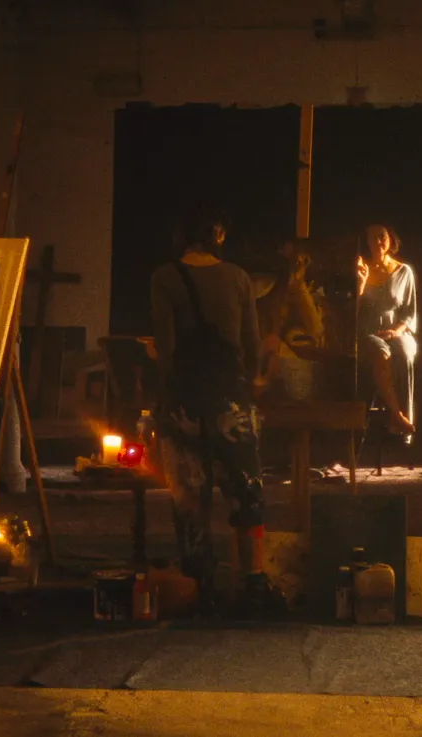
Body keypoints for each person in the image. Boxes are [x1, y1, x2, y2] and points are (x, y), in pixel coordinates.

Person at [149, 204, 280, 616]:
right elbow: (250, 345)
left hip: (185, 403)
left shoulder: (164, 278)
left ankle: (200, 586)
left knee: (191, 495)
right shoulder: (239, 278)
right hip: (231, 402)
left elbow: (166, 351)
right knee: (246, 493)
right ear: (218, 234)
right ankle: (254, 583)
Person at [355, 224, 418, 436]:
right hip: (369, 331)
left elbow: (409, 313)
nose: (377, 242)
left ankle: (402, 419)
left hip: (397, 330)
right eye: (372, 238)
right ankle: (397, 416)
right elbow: (353, 312)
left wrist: (396, 331)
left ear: (390, 240)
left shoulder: (403, 272)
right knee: (382, 355)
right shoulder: (362, 269)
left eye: (381, 237)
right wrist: (360, 284)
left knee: (405, 353)